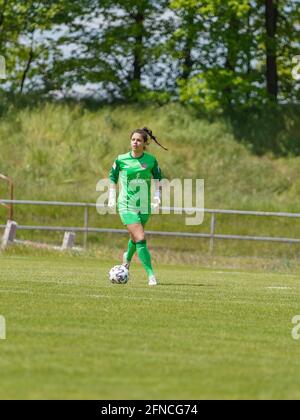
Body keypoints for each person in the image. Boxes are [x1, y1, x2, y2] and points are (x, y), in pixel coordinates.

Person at [108, 127, 167, 286]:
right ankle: (151, 276)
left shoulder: (151, 160)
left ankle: (126, 259)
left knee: (135, 238)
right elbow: (112, 177)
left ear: (145, 143)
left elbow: (159, 179)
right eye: (133, 139)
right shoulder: (121, 159)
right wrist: (112, 197)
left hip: (144, 206)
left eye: (139, 140)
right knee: (141, 237)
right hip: (126, 205)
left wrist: (157, 196)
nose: (135, 143)